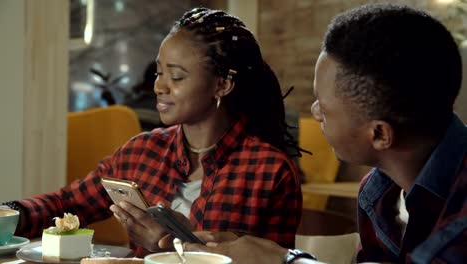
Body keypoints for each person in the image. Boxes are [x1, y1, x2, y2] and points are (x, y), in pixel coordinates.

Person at [2, 7, 305, 257]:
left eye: (177, 76)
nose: (159, 86)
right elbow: (68, 204)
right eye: (160, 72)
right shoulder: (141, 152)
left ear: (222, 84)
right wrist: (8, 214)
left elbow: (274, 262)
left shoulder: (270, 170)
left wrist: (166, 244)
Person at [184, 3, 467, 263]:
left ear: (380, 134)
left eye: (324, 105)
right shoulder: (379, 191)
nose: (315, 111)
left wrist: (284, 260)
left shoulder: (459, 225)